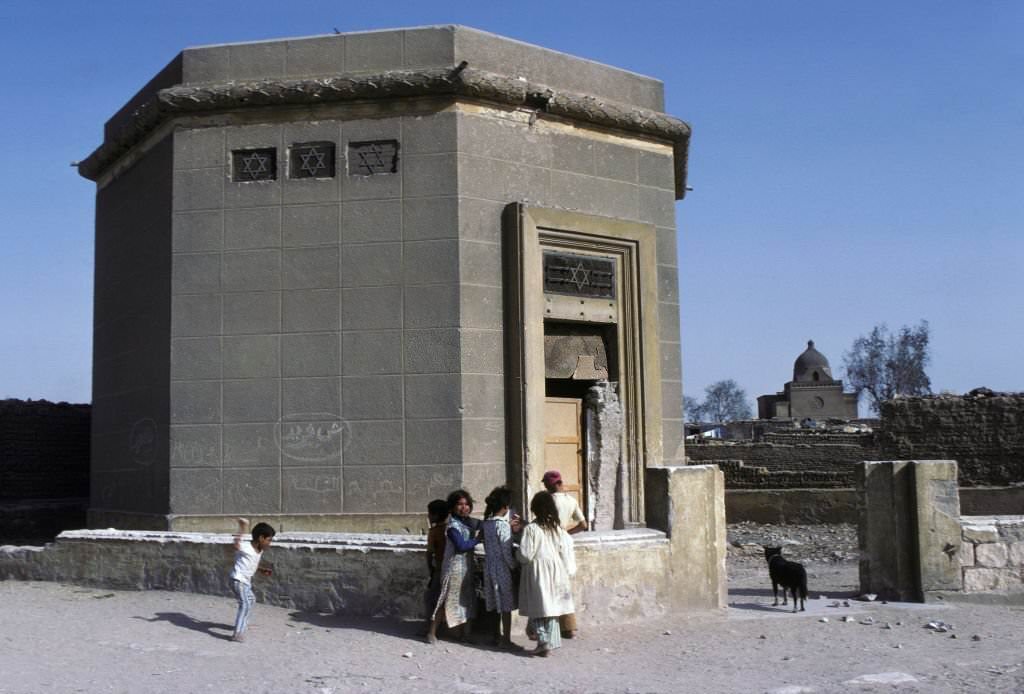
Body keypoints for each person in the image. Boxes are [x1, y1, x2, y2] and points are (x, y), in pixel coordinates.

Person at [517, 491, 576, 657]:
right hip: (557, 571)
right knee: (551, 606)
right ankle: (551, 641)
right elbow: (566, 548)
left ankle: (543, 642)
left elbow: (526, 554)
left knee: (538, 607)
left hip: (538, 571)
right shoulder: (557, 529)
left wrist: (517, 555)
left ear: (534, 509)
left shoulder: (532, 529)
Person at [426, 489, 480, 644]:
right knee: (445, 601)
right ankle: (431, 632)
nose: (464, 507)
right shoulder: (452, 526)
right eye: (460, 504)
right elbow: (461, 546)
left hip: (466, 569)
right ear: (452, 507)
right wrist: (478, 539)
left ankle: (465, 635)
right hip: (453, 569)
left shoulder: (468, 523)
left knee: (467, 601)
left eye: (466, 504)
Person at [541, 470, 586, 638]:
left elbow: (540, 523)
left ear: (550, 484)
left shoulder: (546, 501)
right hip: (564, 545)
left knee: (548, 586)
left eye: (545, 484)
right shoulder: (571, 500)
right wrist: (565, 532)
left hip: (549, 545)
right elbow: (583, 525)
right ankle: (569, 627)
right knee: (563, 586)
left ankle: (551, 626)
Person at [481, 486, 522, 650]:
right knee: (506, 606)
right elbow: (506, 551)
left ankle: (495, 635)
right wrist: (514, 566)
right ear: (505, 507)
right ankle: (506, 638)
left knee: (495, 604)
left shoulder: (487, 524)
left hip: (490, 566)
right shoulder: (502, 526)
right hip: (502, 569)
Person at [228, 518, 275, 643]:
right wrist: (242, 527)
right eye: (268, 540)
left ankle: (242, 624)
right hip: (238, 579)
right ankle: (237, 633)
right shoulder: (246, 546)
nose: (269, 543)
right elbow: (236, 544)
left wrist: (261, 569)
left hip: (245, 582)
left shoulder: (259, 550)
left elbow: (250, 563)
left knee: (251, 600)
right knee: (245, 604)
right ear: (261, 538)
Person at [423, 499, 449, 632]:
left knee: (432, 600)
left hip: (439, 569)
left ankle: (430, 629)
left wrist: (430, 569)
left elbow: (429, 553)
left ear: (436, 515)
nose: (428, 516)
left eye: (430, 513)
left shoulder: (434, 532)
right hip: (450, 568)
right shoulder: (450, 529)